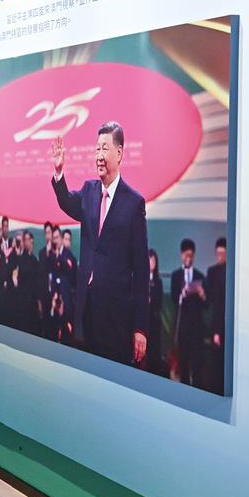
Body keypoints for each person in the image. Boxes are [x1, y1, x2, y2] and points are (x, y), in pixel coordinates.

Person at [50, 122, 149, 365]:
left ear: (119, 152)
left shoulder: (134, 203)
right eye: (96, 149)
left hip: (117, 318)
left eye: (105, 148)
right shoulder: (89, 191)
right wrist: (59, 173)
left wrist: (140, 327)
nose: (99, 156)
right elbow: (66, 202)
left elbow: (142, 270)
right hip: (87, 311)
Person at [171, 238, 206, 388]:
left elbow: (206, 304)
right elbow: (173, 299)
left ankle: (197, 389)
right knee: (183, 362)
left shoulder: (200, 276)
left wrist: (202, 295)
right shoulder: (176, 275)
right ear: (181, 255)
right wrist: (183, 293)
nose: (188, 258)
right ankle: (184, 389)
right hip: (182, 327)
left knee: (196, 362)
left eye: (191, 256)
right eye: (186, 255)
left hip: (196, 327)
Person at [204, 236, 228, 394]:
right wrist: (216, 331)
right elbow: (213, 302)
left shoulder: (230, 272)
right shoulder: (212, 271)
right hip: (217, 323)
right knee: (216, 362)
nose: (219, 256)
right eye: (217, 253)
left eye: (222, 253)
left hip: (225, 324)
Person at [146, 250, 166, 378]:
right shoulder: (140, 280)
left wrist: (151, 300)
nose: (151, 263)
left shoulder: (158, 282)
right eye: (149, 260)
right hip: (143, 321)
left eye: (153, 260)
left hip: (154, 321)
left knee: (154, 353)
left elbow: (159, 303)